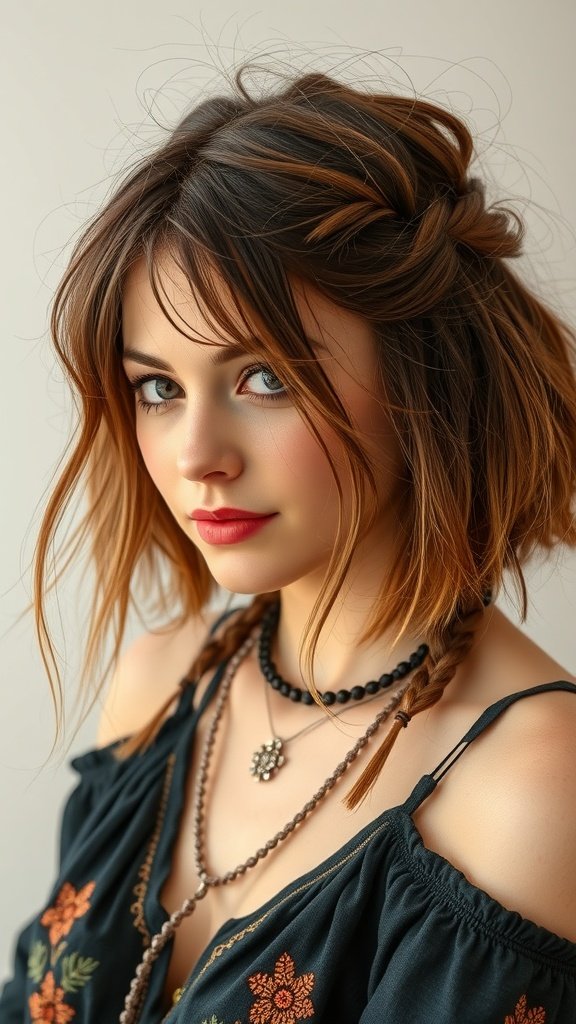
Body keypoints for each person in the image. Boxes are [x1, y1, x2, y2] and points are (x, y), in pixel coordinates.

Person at [2, 62, 576, 1024]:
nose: (198, 456)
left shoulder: (532, 785)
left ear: (421, 375)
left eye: (265, 376)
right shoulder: (162, 687)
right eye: (158, 387)